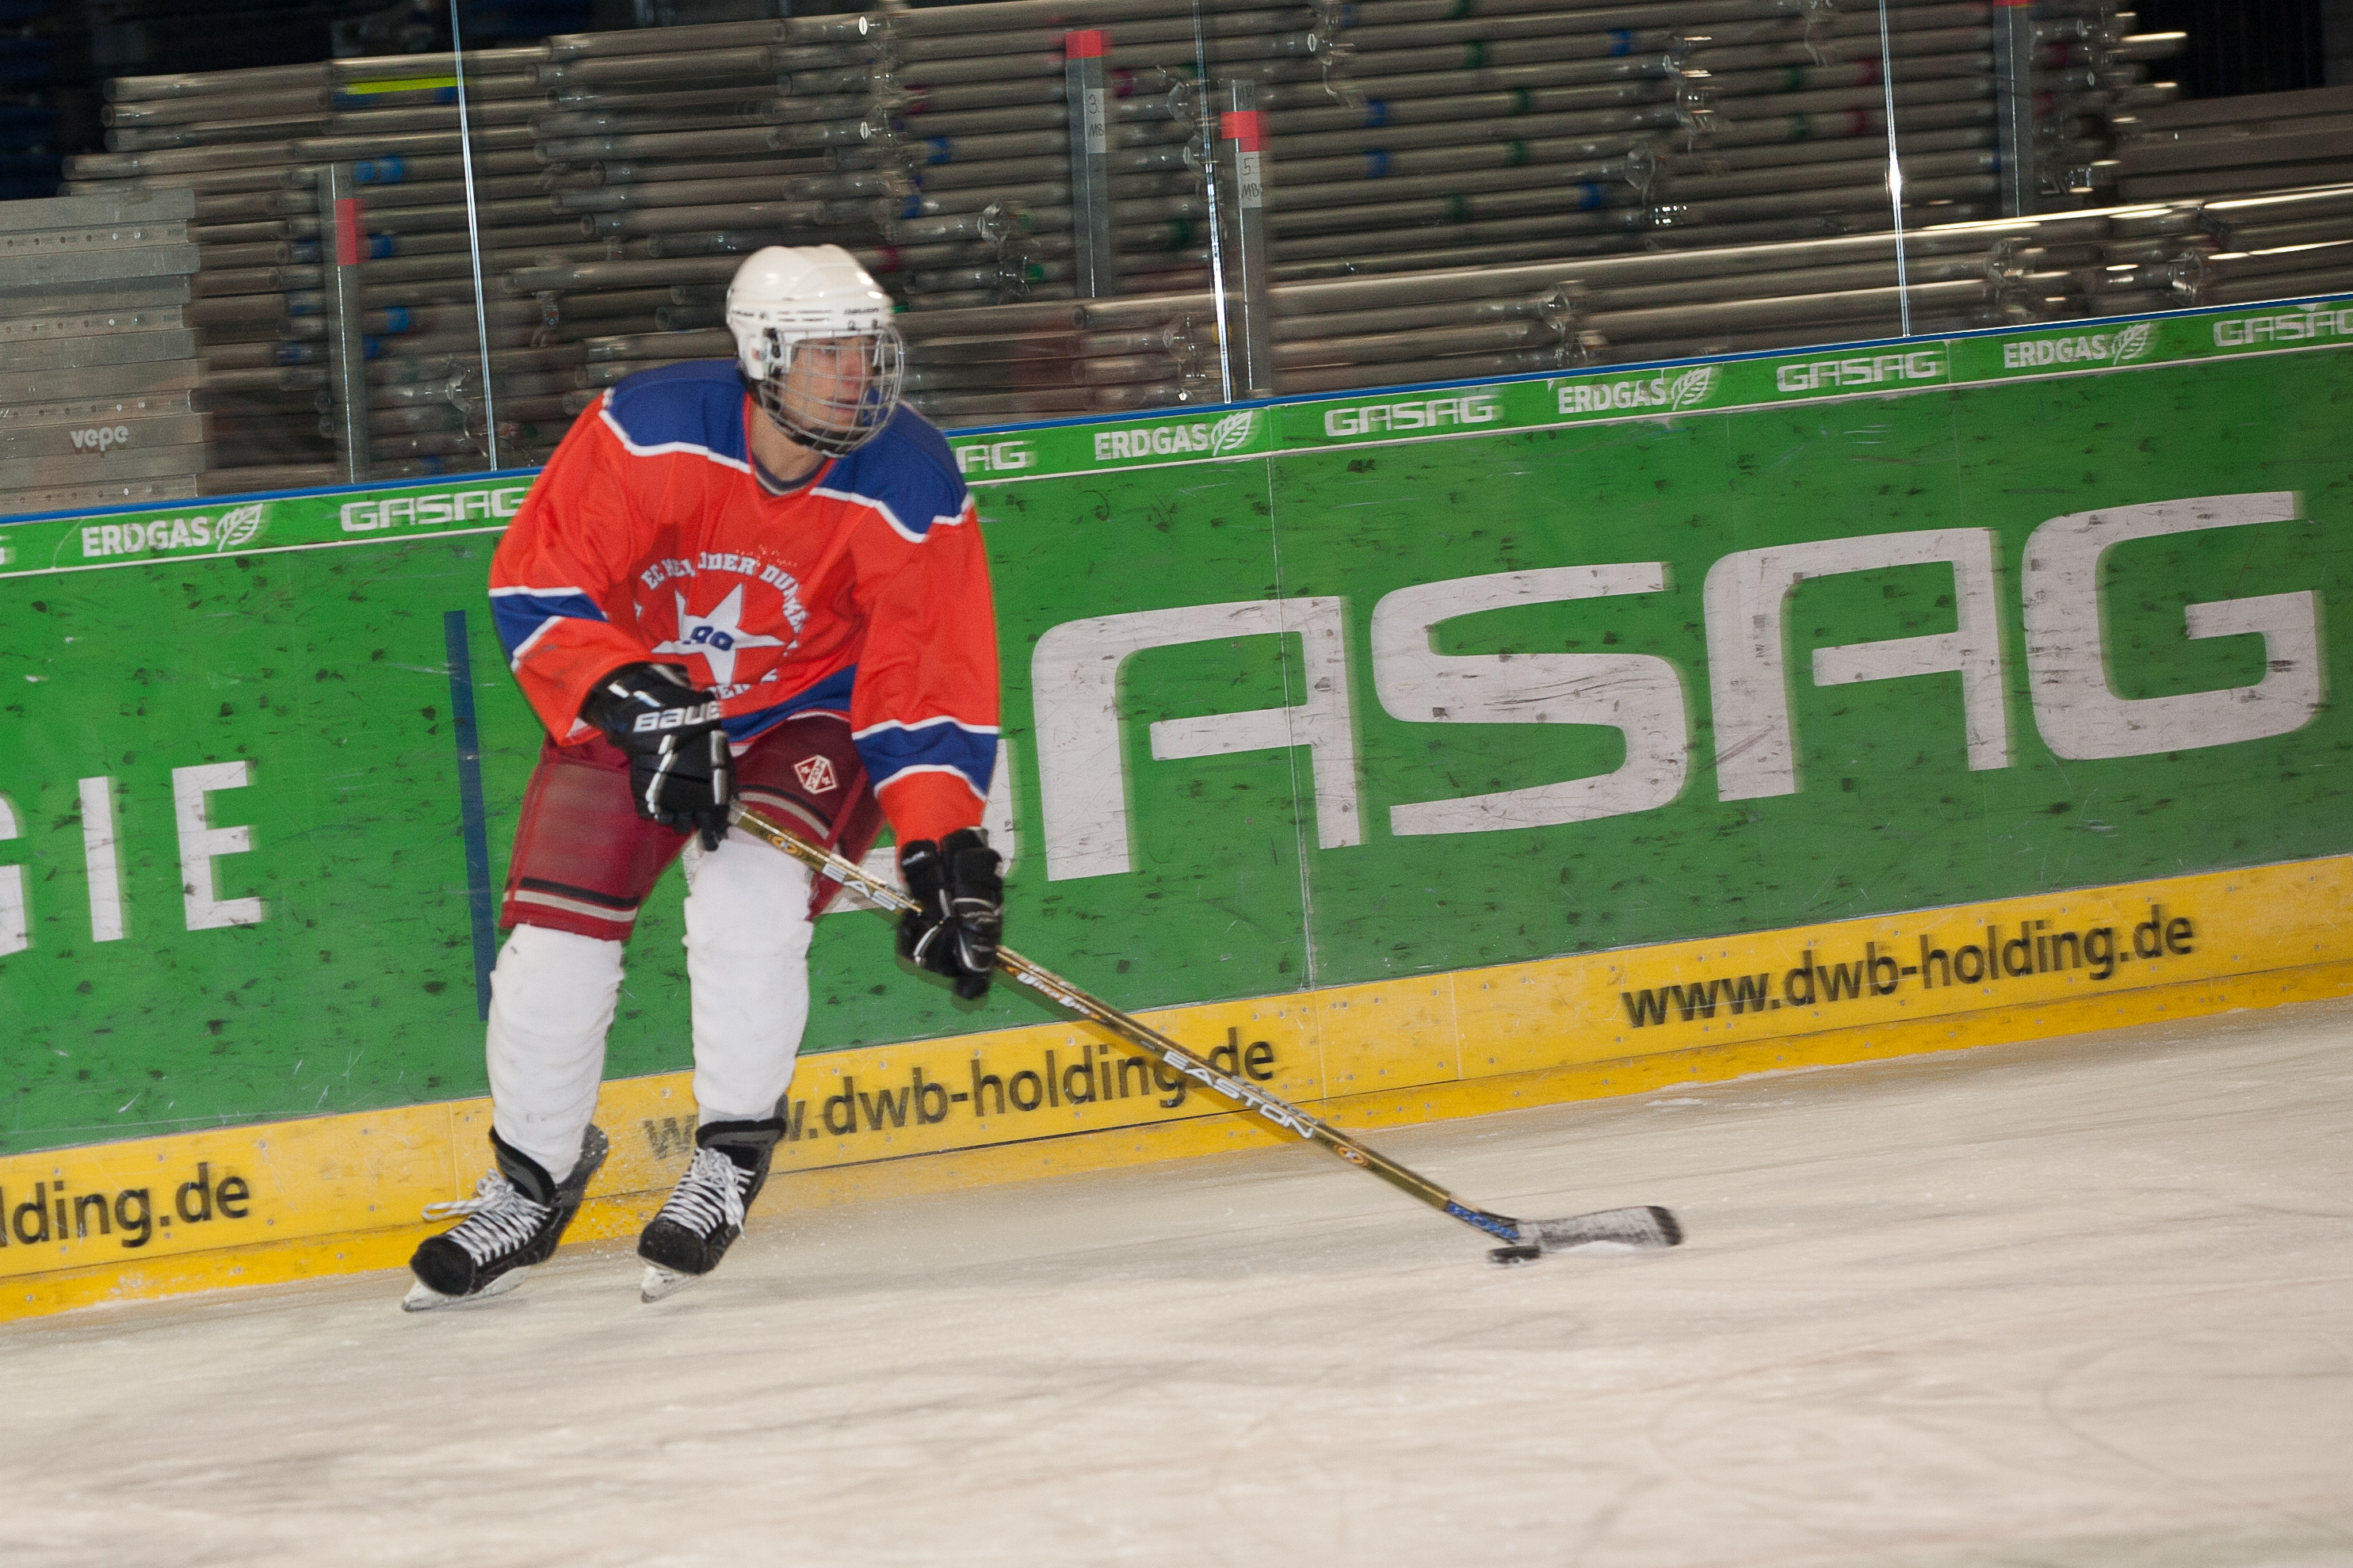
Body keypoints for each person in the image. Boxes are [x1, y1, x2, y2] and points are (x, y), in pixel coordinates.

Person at [403, 244, 1005, 1310]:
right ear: (762, 355)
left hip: (806, 712)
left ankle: (728, 1155)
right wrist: (633, 699)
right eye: (827, 352)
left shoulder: (911, 473)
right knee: (552, 945)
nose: (856, 374)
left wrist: (938, 845)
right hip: (644, 699)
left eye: (867, 349)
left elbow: (928, 679)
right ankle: (531, 1184)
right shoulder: (648, 426)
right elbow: (540, 584)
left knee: (748, 897)